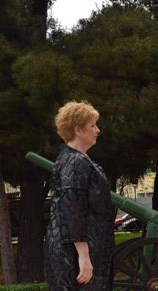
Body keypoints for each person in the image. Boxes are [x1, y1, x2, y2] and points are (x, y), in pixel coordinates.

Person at [46, 101, 114, 290]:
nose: (97, 130)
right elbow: (73, 209)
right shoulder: (75, 162)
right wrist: (84, 256)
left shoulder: (74, 159)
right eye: (92, 125)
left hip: (78, 247)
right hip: (74, 253)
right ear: (78, 130)